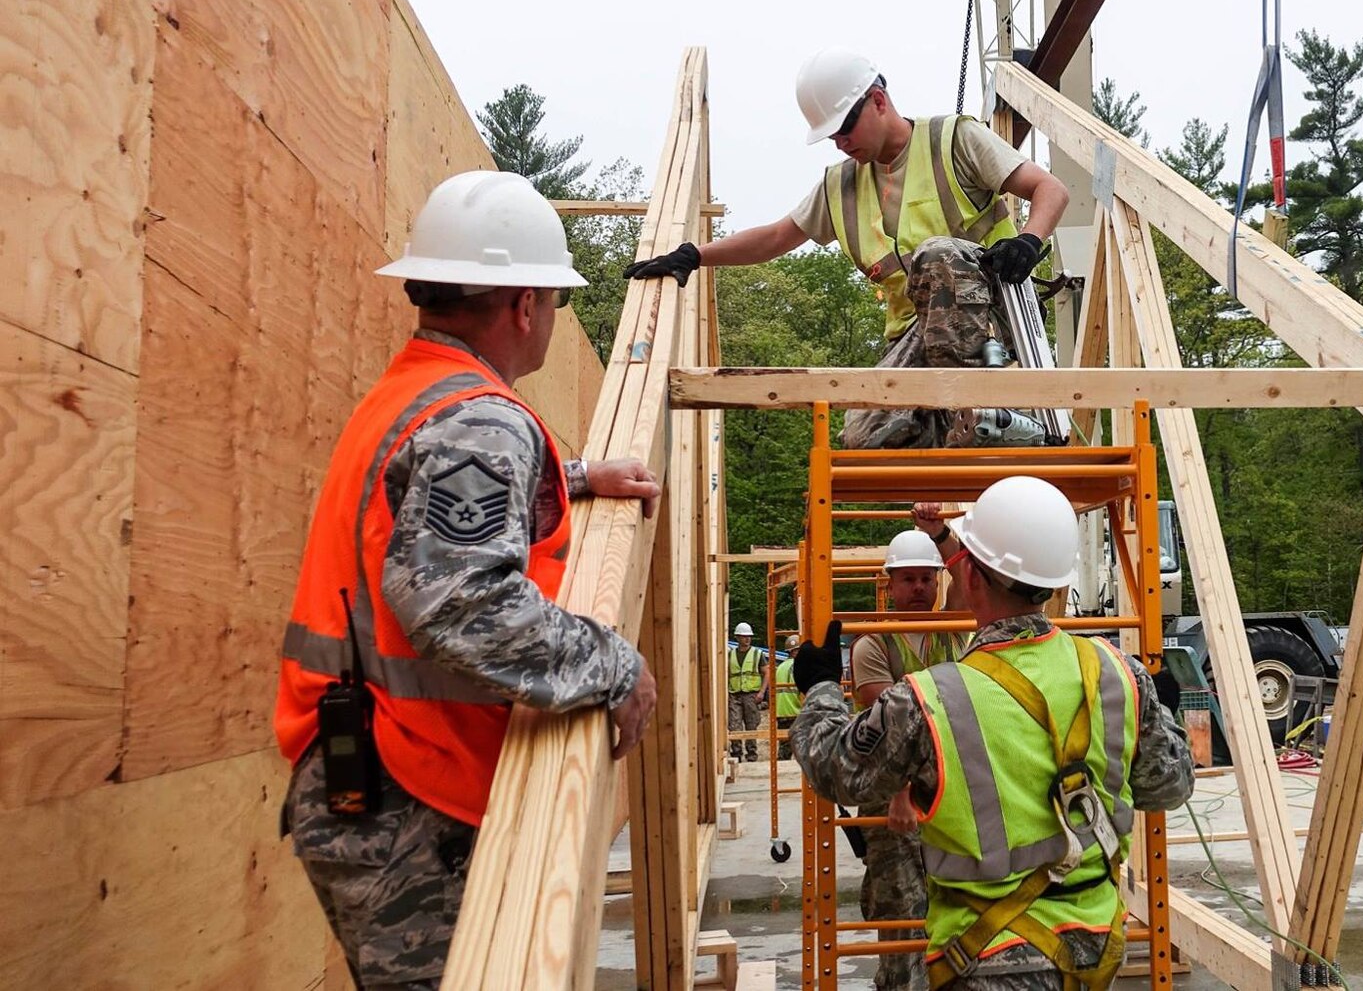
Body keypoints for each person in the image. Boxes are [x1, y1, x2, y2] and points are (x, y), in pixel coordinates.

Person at [273, 170, 662, 989]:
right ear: (525, 304)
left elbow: (437, 502)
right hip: (407, 802)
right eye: (553, 302)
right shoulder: (479, 418)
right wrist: (613, 667)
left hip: (367, 780)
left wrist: (579, 476)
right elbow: (461, 598)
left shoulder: (415, 392)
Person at [791, 477, 1193, 989]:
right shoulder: (1118, 673)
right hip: (1091, 951)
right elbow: (1169, 787)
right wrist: (1161, 709)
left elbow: (835, 769)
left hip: (982, 957)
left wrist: (820, 688)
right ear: (1052, 580)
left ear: (971, 581)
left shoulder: (928, 698)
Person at [623, 48, 1071, 450]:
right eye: (831, 136)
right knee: (863, 435)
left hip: (993, 320)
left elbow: (1050, 189)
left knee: (934, 255)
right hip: (919, 337)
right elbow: (777, 237)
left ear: (878, 100)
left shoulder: (954, 140)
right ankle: (984, 426)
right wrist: (695, 255)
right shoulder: (841, 186)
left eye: (843, 128)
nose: (839, 142)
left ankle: (980, 407)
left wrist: (1029, 239)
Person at [846, 527, 972, 991]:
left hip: (947, 796)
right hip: (893, 803)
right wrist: (900, 796)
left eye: (926, 579)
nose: (919, 588)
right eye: (909, 580)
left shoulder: (953, 630)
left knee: (956, 914)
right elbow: (890, 731)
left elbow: (964, 572)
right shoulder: (873, 644)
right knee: (901, 919)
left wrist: (939, 531)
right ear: (891, 584)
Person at [728, 622, 767, 761]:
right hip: (734, 694)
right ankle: (736, 755)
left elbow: (766, 673)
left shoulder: (757, 654)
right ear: (737, 637)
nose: (747, 639)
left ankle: (751, 755)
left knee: (751, 725)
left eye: (749, 636)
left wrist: (762, 692)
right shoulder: (730, 654)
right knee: (734, 725)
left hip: (751, 695)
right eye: (744, 636)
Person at [774, 634, 803, 760]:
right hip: (795, 710)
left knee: (785, 745)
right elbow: (801, 689)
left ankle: (780, 768)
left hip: (781, 711)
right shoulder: (798, 666)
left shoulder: (780, 667)